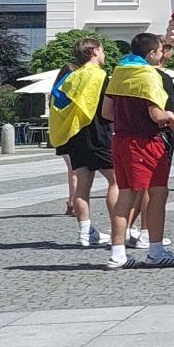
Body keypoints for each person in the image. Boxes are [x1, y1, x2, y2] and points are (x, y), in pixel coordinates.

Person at [102, 33, 174, 268]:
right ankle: (155, 250)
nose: (161, 53)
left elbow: (107, 113)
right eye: (159, 50)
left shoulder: (119, 72)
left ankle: (118, 251)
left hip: (121, 140)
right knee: (158, 193)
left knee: (125, 195)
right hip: (147, 141)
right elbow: (156, 115)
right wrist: (170, 117)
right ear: (151, 54)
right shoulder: (149, 75)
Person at [51, 40, 114, 247]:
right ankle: (120, 229)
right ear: (95, 51)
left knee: (82, 188)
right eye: (102, 50)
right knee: (118, 182)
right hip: (99, 134)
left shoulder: (71, 77)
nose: (103, 54)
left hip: (75, 135)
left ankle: (85, 232)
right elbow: (108, 108)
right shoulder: (100, 76)